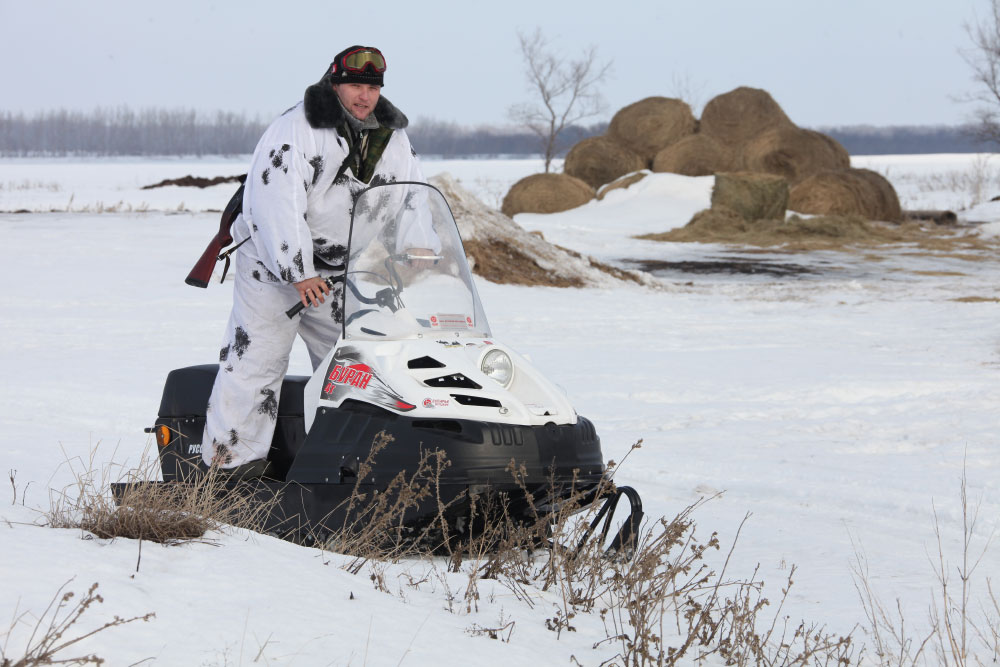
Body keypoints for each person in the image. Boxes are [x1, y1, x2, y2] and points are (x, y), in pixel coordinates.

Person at [202, 45, 436, 478]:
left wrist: (420, 244)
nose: (364, 96)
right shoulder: (298, 128)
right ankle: (227, 472)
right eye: (355, 86)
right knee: (257, 362)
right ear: (335, 84)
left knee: (356, 362)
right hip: (272, 267)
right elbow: (276, 201)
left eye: (371, 87)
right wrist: (298, 272)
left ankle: (350, 465)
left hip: (337, 271)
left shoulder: (391, 135)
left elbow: (411, 190)